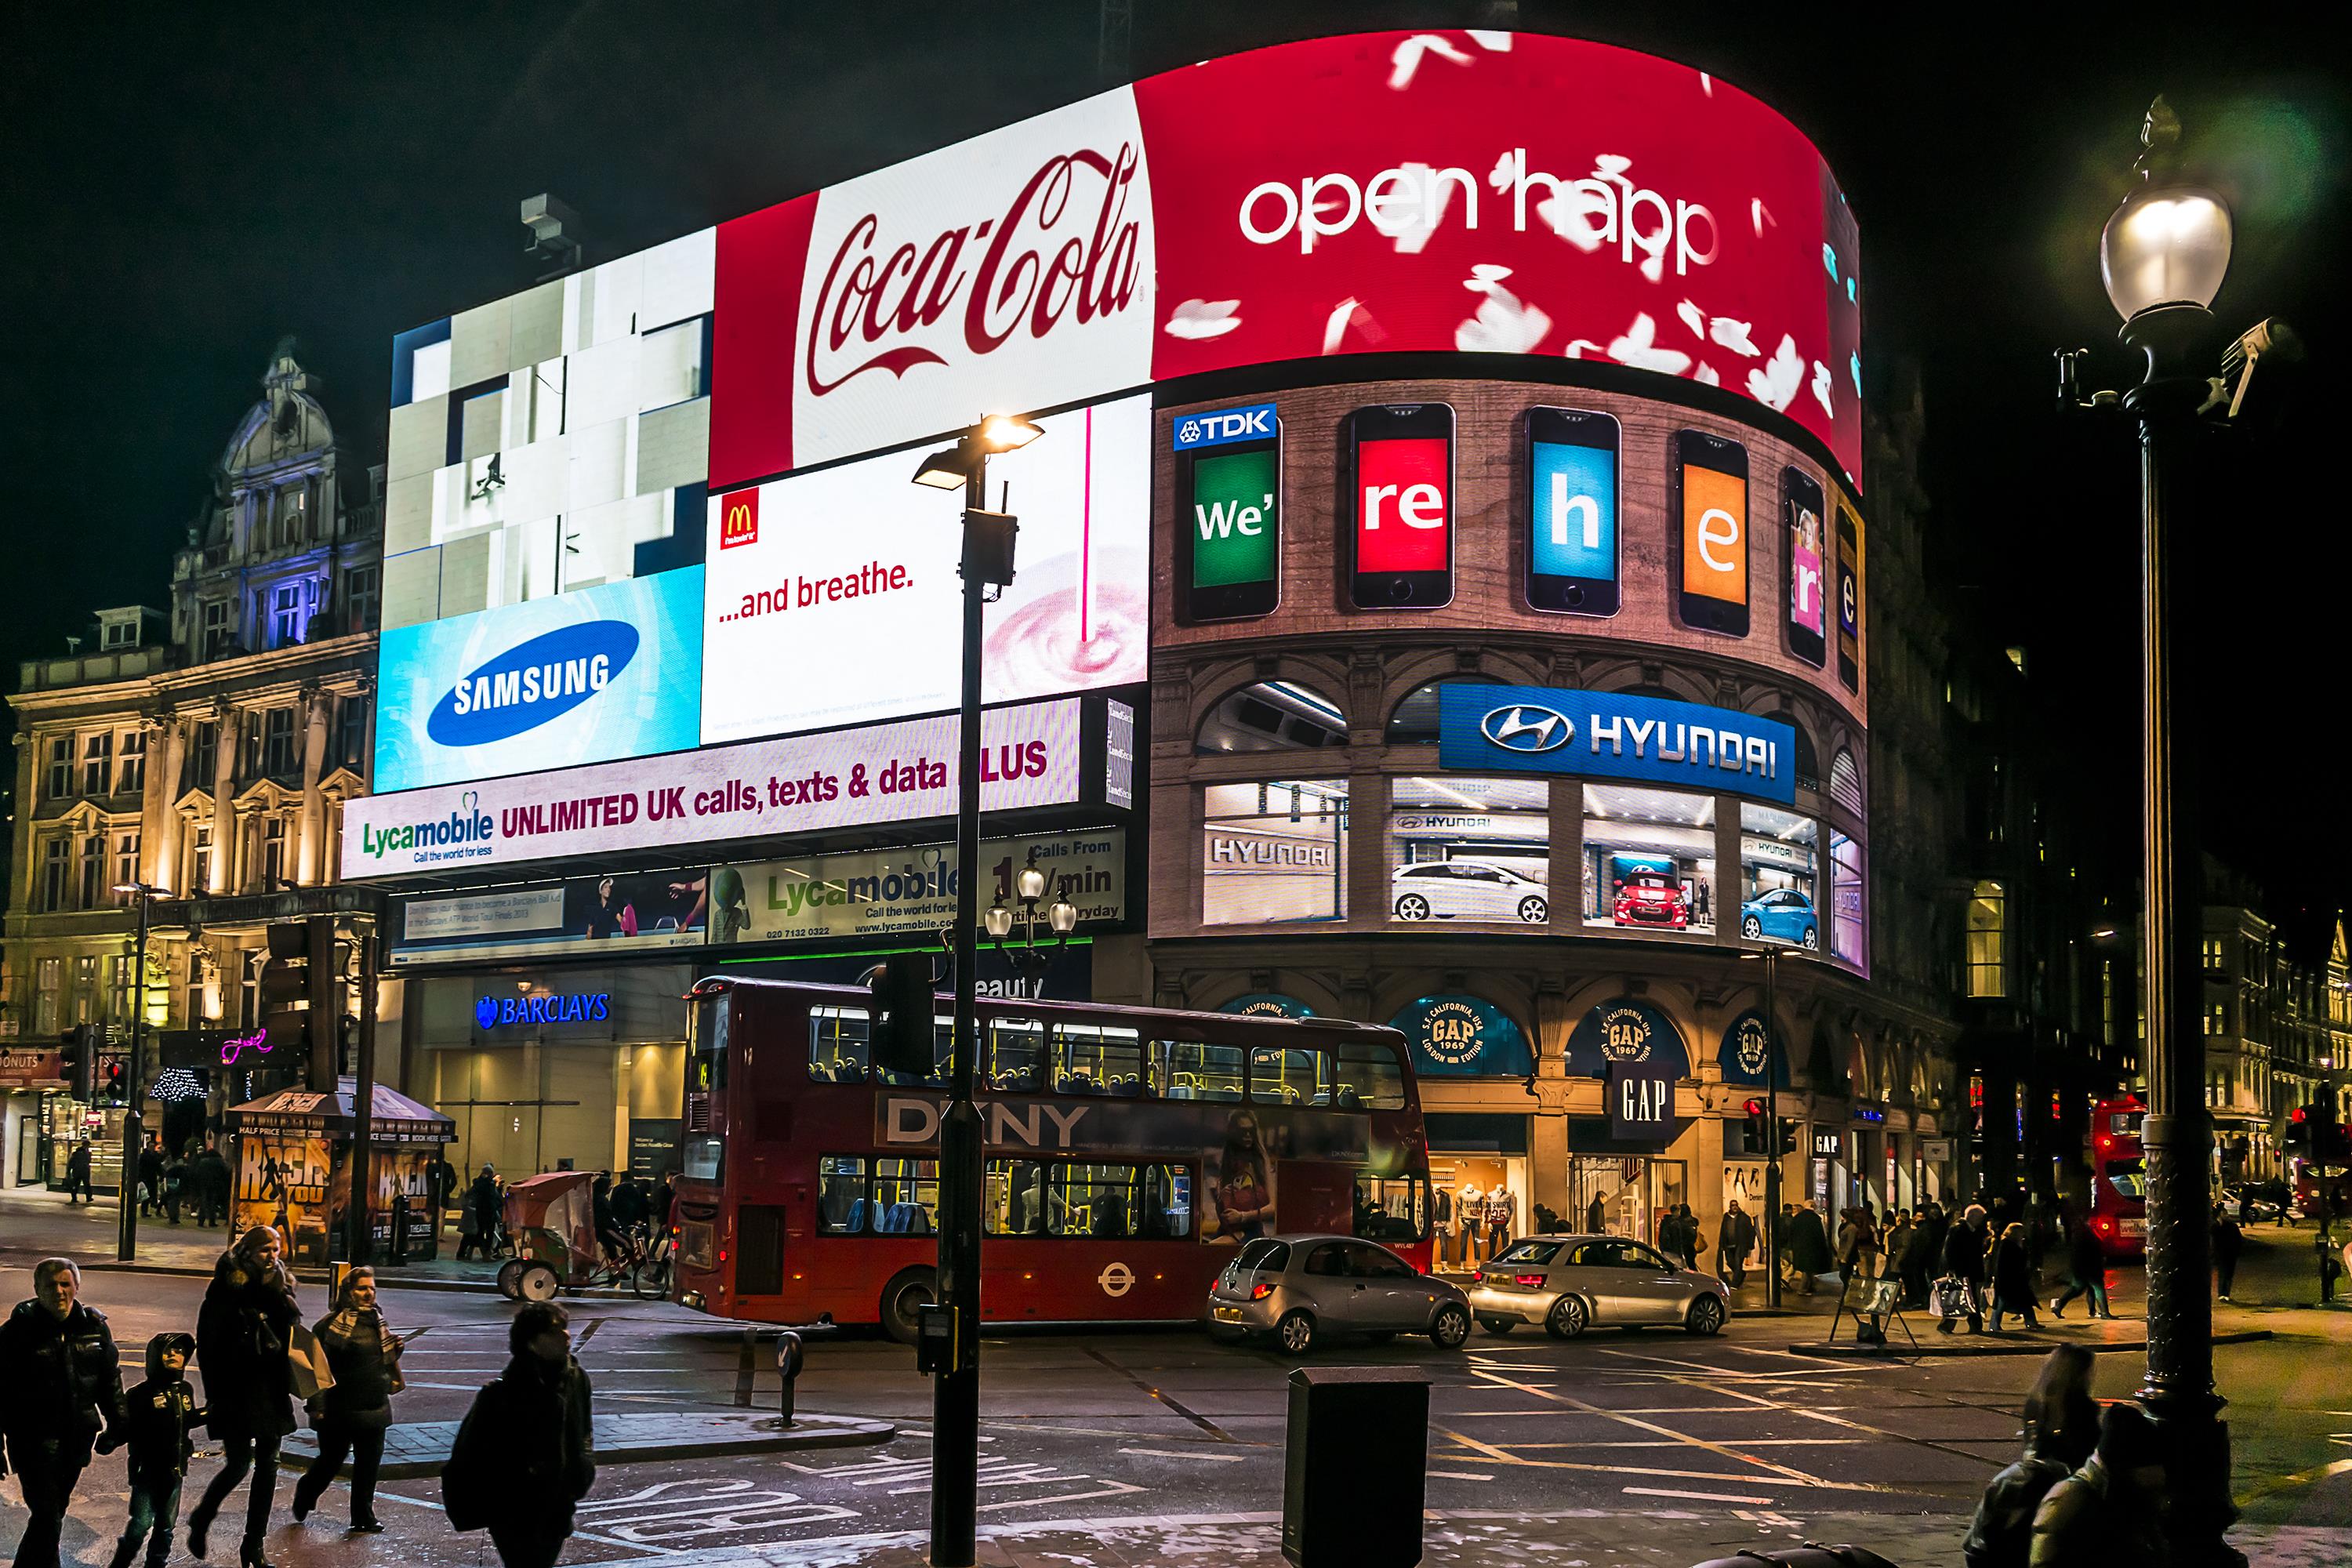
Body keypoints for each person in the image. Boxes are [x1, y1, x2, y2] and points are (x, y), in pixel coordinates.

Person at [443, 1301, 596, 1568]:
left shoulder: (576, 1379)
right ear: (532, 1342)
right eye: (554, 1331)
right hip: (515, 1511)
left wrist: (582, 1471)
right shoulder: (501, 1394)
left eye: (566, 1329)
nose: (566, 1336)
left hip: (558, 1504)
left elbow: (583, 1432)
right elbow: (471, 1455)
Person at [188, 1226, 302, 1567]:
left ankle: (253, 1545)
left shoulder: (280, 1285)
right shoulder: (227, 1287)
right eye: (266, 1249)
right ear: (248, 1251)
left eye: (277, 1249)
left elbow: (290, 1333)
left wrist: (281, 1297)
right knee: (238, 1464)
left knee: (269, 1466)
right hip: (236, 1390)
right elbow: (208, 1346)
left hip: (270, 1387)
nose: (273, 1255)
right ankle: (203, 1516)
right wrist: (216, 1395)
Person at [0, 1258, 125, 1568]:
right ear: (37, 1289)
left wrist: (119, 1425)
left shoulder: (95, 1330)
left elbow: (110, 1381)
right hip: (32, 1440)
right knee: (47, 1513)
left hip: (77, 1438)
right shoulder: (15, 1333)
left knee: (55, 1511)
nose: (58, 1291)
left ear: (76, 1287)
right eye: (50, 1285)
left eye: (65, 1284)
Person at [1961, 1345, 2099, 1568]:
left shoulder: (2038, 1399)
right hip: (2060, 1482)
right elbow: (2086, 1451)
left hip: (2033, 1476)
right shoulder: (2083, 1406)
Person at [290, 1269, 401, 1534]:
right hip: (340, 1410)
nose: (368, 1294)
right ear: (348, 1292)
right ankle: (307, 1491)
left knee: (368, 1465)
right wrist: (317, 1406)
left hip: (375, 1406)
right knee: (330, 1461)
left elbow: (382, 1362)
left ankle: (363, 1516)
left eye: (372, 1288)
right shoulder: (331, 1326)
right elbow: (318, 1368)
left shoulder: (378, 1322)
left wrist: (396, 1353)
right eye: (362, 1288)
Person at [96, 1332, 205, 1568]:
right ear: (156, 1356)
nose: (175, 1355)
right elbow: (126, 1427)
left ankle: (156, 1563)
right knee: (140, 1523)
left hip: (175, 1470)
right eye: (168, 1350)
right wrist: (110, 1439)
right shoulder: (140, 1394)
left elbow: (188, 1419)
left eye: (179, 1351)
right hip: (147, 1471)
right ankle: (121, 1562)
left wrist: (211, 1413)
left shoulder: (184, 1390)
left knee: (166, 1526)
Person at [2029, 1401, 2170, 1566]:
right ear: (2125, 1466)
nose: (2161, 1475)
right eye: (2152, 1466)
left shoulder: (2128, 1497)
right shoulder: (2070, 1503)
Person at [1212, 1112, 1273, 1243]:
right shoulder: (1227, 1161)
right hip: (1228, 1228)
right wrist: (1221, 1196)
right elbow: (1222, 1210)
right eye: (1243, 1131)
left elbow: (1273, 1208)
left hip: (1250, 1231)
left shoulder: (1261, 1161)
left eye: (1251, 1131)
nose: (1247, 1135)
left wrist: (1242, 1216)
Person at [2051, 1212, 2113, 1319]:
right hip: (2090, 1268)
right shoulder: (2086, 1234)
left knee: (2078, 1289)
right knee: (2098, 1289)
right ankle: (2104, 1313)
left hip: (2081, 1268)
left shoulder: (2079, 1233)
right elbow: (2093, 1250)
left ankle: (2060, 1306)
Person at [1940, 1203, 1991, 1334]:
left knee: (1965, 1298)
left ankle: (1953, 1325)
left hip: (1968, 1269)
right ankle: (1973, 1325)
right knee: (1965, 1298)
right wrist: (1951, 1268)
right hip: (1962, 1269)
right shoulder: (1959, 1229)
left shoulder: (1969, 1229)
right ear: (1973, 1217)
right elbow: (1950, 1250)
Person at [1990, 1221, 2039, 1332]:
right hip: (2008, 1279)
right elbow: (2002, 1263)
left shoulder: (2018, 1243)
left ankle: (2031, 1322)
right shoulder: (2006, 1244)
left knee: (2024, 1301)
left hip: (2017, 1278)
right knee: (2001, 1303)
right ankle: (1994, 1325)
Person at [462, 1164, 503, 1260]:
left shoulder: (481, 1183)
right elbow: (493, 1198)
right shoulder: (488, 1184)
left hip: (483, 1211)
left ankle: (477, 1252)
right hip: (487, 1211)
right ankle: (486, 1252)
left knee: (481, 1233)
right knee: (486, 1233)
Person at [1719, 1200, 1756, 1289]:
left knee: (1738, 1263)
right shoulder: (1726, 1217)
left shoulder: (1744, 1217)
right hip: (1728, 1245)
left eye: (1736, 1205)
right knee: (1730, 1262)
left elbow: (1751, 1231)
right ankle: (1741, 1274)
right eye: (1732, 1205)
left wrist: (1750, 1245)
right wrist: (1721, 1244)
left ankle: (1735, 1284)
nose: (1734, 1207)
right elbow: (1723, 1231)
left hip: (1740, 1245)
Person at [2212, 1204, 2244, 1303]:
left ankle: (2226, 1293)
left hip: (2230, 1253)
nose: (2226, 1215)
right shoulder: (2216, 1226)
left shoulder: (2232, 1226)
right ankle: (2222, 1293)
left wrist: (2238, 1251)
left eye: (2226, 1213)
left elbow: (2239, 1240)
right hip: (2221, 1253)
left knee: (2228, 1273)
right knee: (2223, 1273)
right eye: (2224, 1213)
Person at [137, 1139, 165, 1218]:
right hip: (146, 1177)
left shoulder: (154, 1156)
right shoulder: (144, 1156)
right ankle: (144, 1211)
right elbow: (140, 1167)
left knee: (151, 1194)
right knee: (146, 1196)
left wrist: (161, 1174)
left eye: (153, 1146)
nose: (152, 1148)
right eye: (151, 1146)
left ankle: (149, 1209)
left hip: (152, 1177)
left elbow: (158, 1166)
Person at [160, 1147, 187, 1226]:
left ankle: (173, 1218)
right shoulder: (180, 1168)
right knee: (174, 1202)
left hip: (171, 1184)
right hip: (175, 1186)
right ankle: (173, 1218)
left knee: (173, 1202)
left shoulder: (173, 1167)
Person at [64, 1141, 95, 1205]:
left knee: (76, 1185)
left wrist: (69, 1171)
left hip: (77, 1171)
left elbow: (71, 1162)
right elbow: (88, 1161)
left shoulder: (76, 1153)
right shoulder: (86, 1153)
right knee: (86, 1185)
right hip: (84, 1171)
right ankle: (88, 1197)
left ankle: (74, 1198)